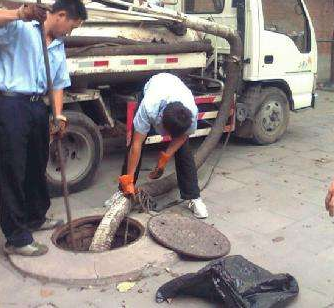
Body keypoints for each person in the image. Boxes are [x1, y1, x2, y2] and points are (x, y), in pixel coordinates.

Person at [0, 0, 87, 256]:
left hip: (38, 107)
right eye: (70, 27)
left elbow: (58, 83)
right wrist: (19, 14)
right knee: (12, 170)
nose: (69, 33)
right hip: (11, 104)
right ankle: (16, 238)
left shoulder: (58, 46)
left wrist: (58, 115)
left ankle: (35, 217)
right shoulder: (22, 28)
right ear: (60, 15)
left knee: (36, 165)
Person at [117, 73, 208, 219]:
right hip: (156, 84)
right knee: (134, 145)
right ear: (160, 119)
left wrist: (164, 159)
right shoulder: (148, 107)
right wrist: (129, 179)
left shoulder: (190, 113)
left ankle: (193, 197)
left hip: (175, 87)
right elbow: (136, 144)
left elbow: (183, 136)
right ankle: (122, 191)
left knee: (184, 151)